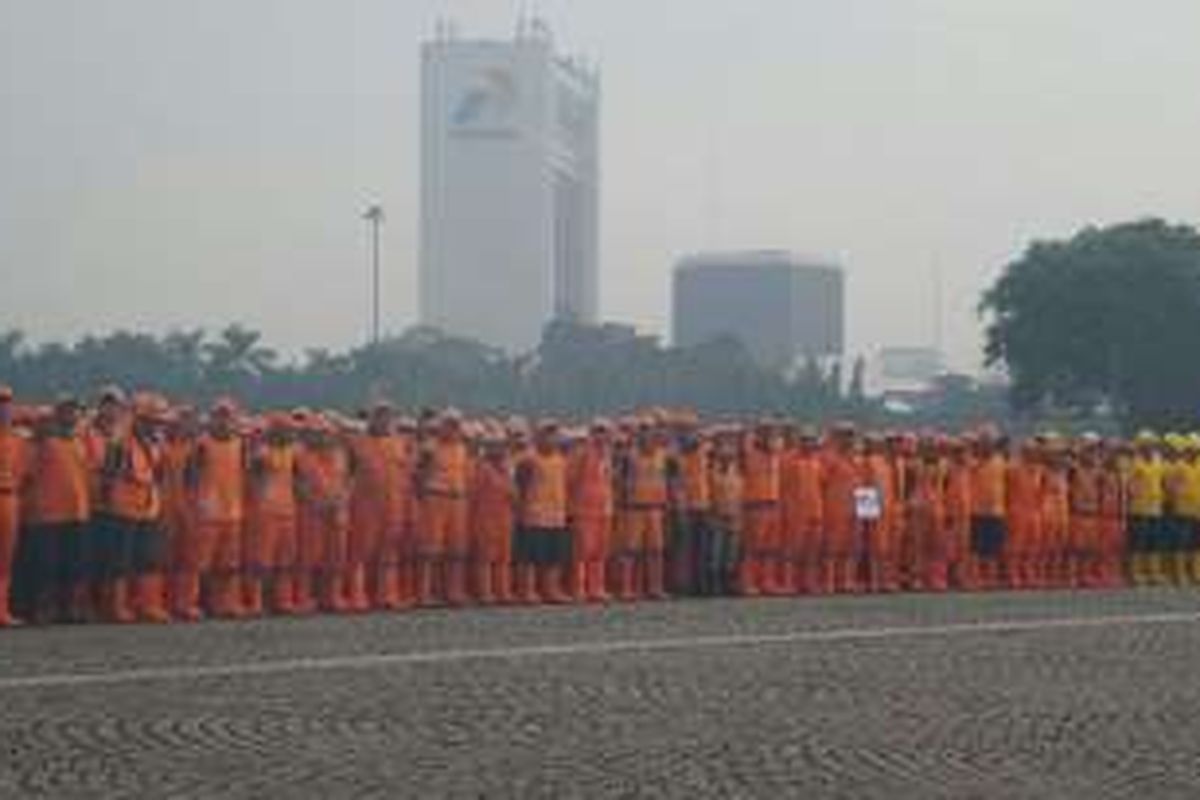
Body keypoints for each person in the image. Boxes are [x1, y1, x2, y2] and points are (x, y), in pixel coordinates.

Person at [100, 393, 170, 623]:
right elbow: (108, 474)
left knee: (148, 559)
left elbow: (158, 475)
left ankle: (146, 606)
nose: (156, 425)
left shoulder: (157, 441)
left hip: (148, 507)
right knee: (119, 562)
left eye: (158, 421)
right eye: (152, 420)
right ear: (139, 419)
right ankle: (116, 608)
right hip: (122, 509)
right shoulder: (120, 440)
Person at [19, 397, 90, 624]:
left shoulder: (79, 442)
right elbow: (26, 475)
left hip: (77, 513)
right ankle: (41, 609)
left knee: (73, 564)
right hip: (46, 515)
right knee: (44, 565)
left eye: (75, 412)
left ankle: (68, 609)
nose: (72, 416)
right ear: (58, 414)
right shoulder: (39, 443)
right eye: (67, 411)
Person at [182, 398, 247, 619]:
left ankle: (225, 604)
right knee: (197, 564)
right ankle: (187, 604)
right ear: (212, 419)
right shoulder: (201, 445)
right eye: (219, 416)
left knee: (228, 565)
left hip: (233, 513)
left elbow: (244, 475)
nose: (224, 421)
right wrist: (195, 505)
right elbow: (189, 478)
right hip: (207, 514)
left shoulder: (241, 445)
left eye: (228, 417)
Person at [348, 402, 415, 611]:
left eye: (388, 416)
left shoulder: (401, 443)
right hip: (365, 507)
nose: (384, 420)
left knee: (389, 553)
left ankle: (387, 596)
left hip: (394, 506)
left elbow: (406, 476)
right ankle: (358, 596)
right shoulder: (356, 443)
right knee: (361, 553)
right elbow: (346, 475)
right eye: (379, 416)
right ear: (371, 419)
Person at [415, 410, 472, 606]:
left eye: (456, 424)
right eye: (449, 424)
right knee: (430, 550)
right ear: (441, 427)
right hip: (435, 499)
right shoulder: (429, 448)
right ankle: (424, 594)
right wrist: (423, 494)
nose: (453, 429)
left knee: (457, 550)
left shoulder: (463, 448)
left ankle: (452, 593)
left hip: (458, 501)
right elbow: (417, 474)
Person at [295, 414, 350, 613]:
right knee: (308, 559)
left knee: (335, 558)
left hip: (337, 514)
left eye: (325, 433)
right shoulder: (299, 454)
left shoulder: (341, 454)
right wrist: (315, 502)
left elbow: (347, 481)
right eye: (316, 433)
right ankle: (303, 598)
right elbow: (296, 484)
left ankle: (332, 598)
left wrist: (341, 500)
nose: (321, 437)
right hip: (311, 513)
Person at [247, 413, 300, 614]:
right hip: (265, 513)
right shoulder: (262, 453)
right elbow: (252, 479)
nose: (289, 433)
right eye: (285, 429)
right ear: (274, 430)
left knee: (285, 560)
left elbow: (295, 480)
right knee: (261, 561)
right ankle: (257, 602)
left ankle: (283, 601)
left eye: (289, 430)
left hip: (288, 511)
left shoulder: (292, 452)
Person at [569, 419, 615, 602]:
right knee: (582, 552)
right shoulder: (581, 454)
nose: (601, 435)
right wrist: (572, 508)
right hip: (584, 510)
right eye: (598, 431)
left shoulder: (606, 455)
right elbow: (570, 481)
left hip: (604, 510)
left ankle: (596, 588)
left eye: (604, 431)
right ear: (592, 433)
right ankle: (579, 589)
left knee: (600, 551)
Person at [469, 433, 515, 605]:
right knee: (485, 558)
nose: (499, 450)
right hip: (485, 518)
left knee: (504, 557)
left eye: (502, 446)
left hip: (505, 518)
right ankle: (485, 593)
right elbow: (473, 494)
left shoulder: (507, 469)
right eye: (495, 446)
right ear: (488, 449)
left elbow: (513, 495)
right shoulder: (482, 468)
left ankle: (502, 592)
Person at [0, 386, 27, 626]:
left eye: (6, 403)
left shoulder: (19, 440)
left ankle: (2, 609)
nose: (2, 407)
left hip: (10, 499)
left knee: (6, 558)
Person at [969, 430, 1008, 590]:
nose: (987, 446)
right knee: (976, 549)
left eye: (989, 442)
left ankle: (990, 578)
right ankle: (975, 577)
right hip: (977, 511)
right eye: (984, 442)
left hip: (996, 511)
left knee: (993, 548)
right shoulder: (972, 463)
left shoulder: (1002, 462)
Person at [708, 429, 744, 596]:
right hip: (717, 517)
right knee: (716, 552)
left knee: (731, 553)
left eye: (729, 457)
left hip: (735, 517)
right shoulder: (711, 474)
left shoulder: (738, 473)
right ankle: (715, 585)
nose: (727, 459)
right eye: (723, 456)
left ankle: (729, 584)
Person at [1127, 432, 1165, 586]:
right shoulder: (1134, 462)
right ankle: (1137, 573)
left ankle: (1153, 572)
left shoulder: (1157, 461)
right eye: (1146, 444)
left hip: (1156, 508)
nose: (1150, 446)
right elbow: (1129, 485)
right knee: (1139, 542)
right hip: (1138, 509)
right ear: (1140, 445)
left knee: (1154, 542)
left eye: (1152, 444)